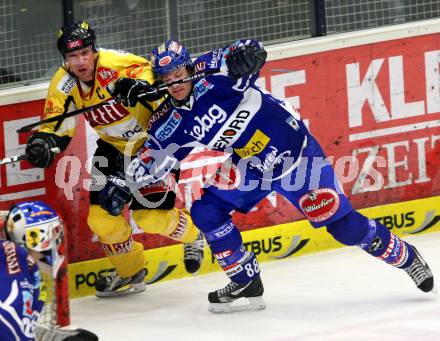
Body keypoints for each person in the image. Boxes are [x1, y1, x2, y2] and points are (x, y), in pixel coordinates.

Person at [108, 39, 435, 313]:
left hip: (295, 155)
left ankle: (406, 257)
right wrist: (123, 185)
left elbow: (250, 50)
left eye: (179, 73)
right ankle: (245, 279)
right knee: (206, 211)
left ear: (190, 67)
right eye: (166, 78)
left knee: (344, 227)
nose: (175, 83)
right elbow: (151, 163)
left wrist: (247, 55)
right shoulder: (167, 120)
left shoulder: (214, 71)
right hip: (250, 167)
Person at [24, 21, 204, 298]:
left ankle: (195, 236)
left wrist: (135, 86)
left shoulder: (115, 63)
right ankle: (130, 271)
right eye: (73, 56)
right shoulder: (64, 83)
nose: (80, 61)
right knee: (100, 220)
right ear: (65, 59)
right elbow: (57, 126)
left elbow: (154, 77)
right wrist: (43, 143)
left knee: (150, 217)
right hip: (111, 150)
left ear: (93, 50)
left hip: (152, 146)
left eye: (85, 53)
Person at [0, 201, 98, 340]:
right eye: (52, 231)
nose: (56, 238)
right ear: (35, 237)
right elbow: (7, 318)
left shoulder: (22, 261)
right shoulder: (18, 270)